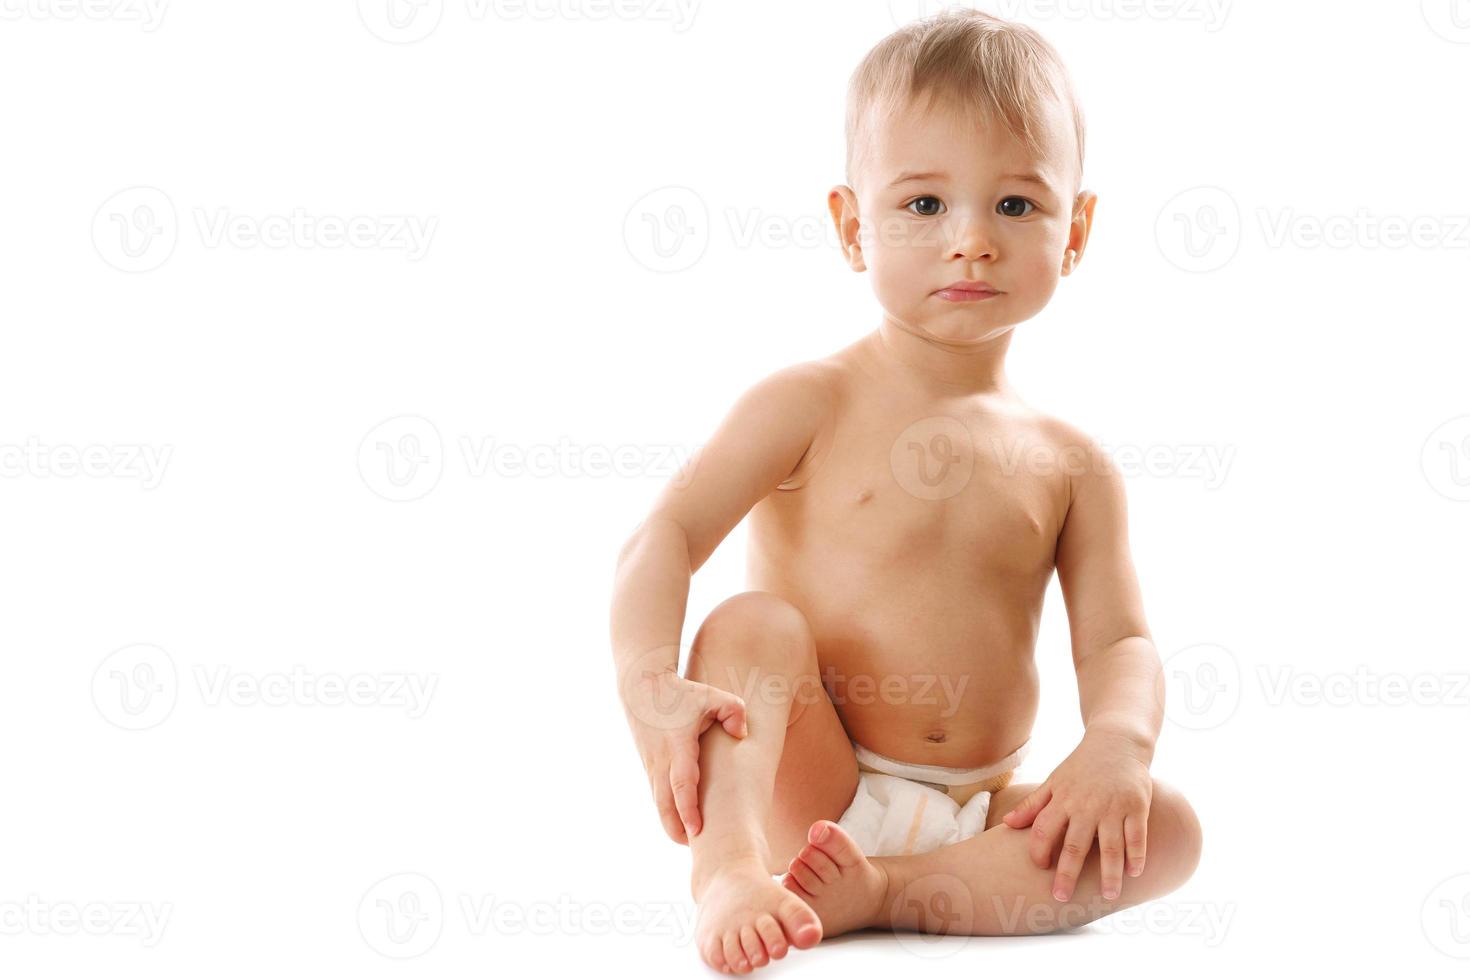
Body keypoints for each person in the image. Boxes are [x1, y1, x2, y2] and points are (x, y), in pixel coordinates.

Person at [610, 9, 1203, 974]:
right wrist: (648, 684)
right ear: (853, 226)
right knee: (751, 623)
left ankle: (893, 892)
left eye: (1015, 207)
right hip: (816, 779)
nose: (970, 242)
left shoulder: (1071, 461)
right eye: (924, 206)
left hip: (985, 802)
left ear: (1077, 230)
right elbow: (664, 536)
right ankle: (729, 868)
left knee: (1168, 830)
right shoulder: (807, 400)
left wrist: (1118, 746)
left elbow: (1118, 639)